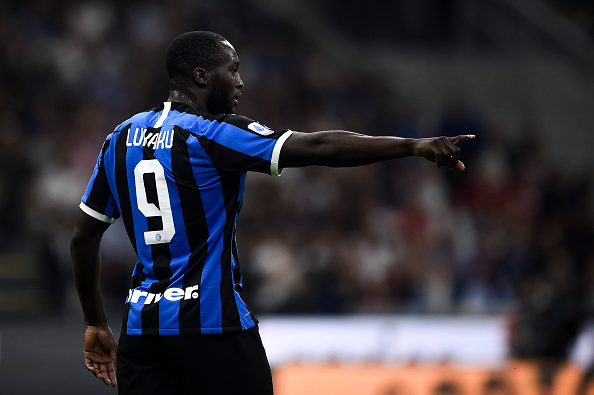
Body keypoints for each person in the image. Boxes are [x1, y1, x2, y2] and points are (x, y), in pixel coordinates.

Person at [70, 30, 474, 394]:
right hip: (213, 324)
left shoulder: (118, 139)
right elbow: (319, 148)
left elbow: (84, 237)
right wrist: (411, 145)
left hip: (143, 332)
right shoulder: (212, 133)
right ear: (201, 76)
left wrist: (95, 321)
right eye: (233, 70)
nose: (241, 82)